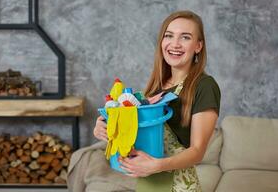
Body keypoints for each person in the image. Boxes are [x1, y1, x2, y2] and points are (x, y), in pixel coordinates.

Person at [94, 10, 220, 192]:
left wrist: (157, 165)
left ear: (198, 46)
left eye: (185, 37)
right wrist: (105, 127)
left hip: (178, 186)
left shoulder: (205, 86)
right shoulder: (156, 87)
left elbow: (197, 152)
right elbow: (138, 135)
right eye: (169, 36)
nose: (175, 44)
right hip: (149, 184)